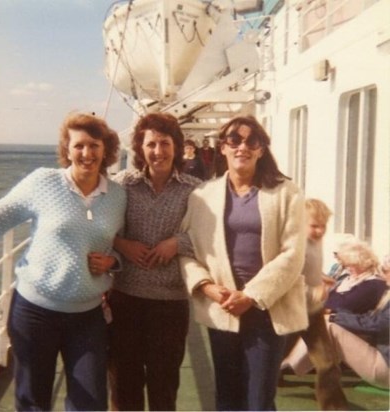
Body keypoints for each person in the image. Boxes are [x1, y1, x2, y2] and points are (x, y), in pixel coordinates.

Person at [0, 112, 126, 411]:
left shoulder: (117, 196)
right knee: (33, 401)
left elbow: (117, 247)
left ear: (106, 150)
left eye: (94, 145)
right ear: (66, 149)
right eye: (78, 146)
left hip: (87, 316)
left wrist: (112, 262)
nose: (86, 153)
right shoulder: (43, 182)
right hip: (35, 312)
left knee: (90, 402)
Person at [180, 115, 308, 411]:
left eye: (253, 141)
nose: (243, 147)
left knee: (259, 399)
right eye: (234, 140)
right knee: (227, 395)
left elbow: (293, 253)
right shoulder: (202, 196)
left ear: (262, 149)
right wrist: (206, 286)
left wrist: (251, 295)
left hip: (266, 308)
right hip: (222, 306)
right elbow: (186, 248)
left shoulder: (287, 193)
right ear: (222, 148)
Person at [109, 112, 201, 411]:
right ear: (140, 147)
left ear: (176, 146)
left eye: (165, 143)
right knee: (126, 382)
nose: (158, 151)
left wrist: (177, 243)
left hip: (170, 302)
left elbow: (207, 237)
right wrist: (124, 244)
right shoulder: (123, 184)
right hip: (125, 298)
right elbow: (102, 229)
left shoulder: (194, 190)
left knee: (164, 384)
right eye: (150, 144)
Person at [284, 255, 390, 389]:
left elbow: (374, 324)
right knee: (323, 324)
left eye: (385, 271)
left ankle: (289, 367)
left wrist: (334, 316)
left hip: (386, 369)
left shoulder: (373, 284)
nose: (383, 275)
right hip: (383, 358)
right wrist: (334, 314)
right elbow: (370, 318)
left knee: (329, 328)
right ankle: (295, 367)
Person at [281, 198, 348, 410]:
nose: (319, 231)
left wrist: (320, 277)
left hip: (312, 313)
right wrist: (313, 290)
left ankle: (334, 406)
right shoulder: (294, 246)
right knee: (272, 355)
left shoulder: (315, 243)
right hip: (291, 310)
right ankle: (255, 389)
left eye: (323, 227)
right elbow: (289, 279)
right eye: (314, 226)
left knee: (327, 362)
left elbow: (309, 270)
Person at [325, 241, 387, 314]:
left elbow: (342, 306)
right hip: (338, 320)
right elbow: (328, 301)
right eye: (346, 265)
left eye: (351, 265)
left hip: (352, 323)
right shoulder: (349, 279)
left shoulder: (374, 284)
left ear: (363, 263)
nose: (348, 268)